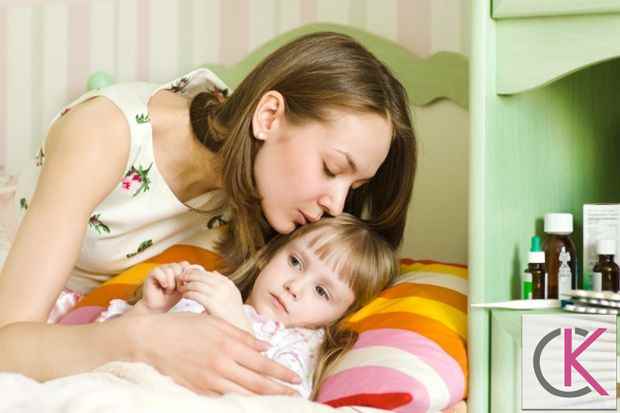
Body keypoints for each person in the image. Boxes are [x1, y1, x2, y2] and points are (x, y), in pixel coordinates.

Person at [0, 31, 416, 395]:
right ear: (269, 117)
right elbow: (5, 347)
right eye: (331, 168)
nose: (336, 205)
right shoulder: (105, 134)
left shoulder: (270, 200)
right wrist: (139, 340)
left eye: (354, 188)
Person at [93, 214, 397, 399]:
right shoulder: (208, 290)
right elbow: (102, 346)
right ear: (269, 255)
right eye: (295, 262)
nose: (294, 287)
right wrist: (149, 309)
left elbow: (277, 403)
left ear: (340, 315)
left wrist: (234, 320)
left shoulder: (301, 346)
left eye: (321, 291)